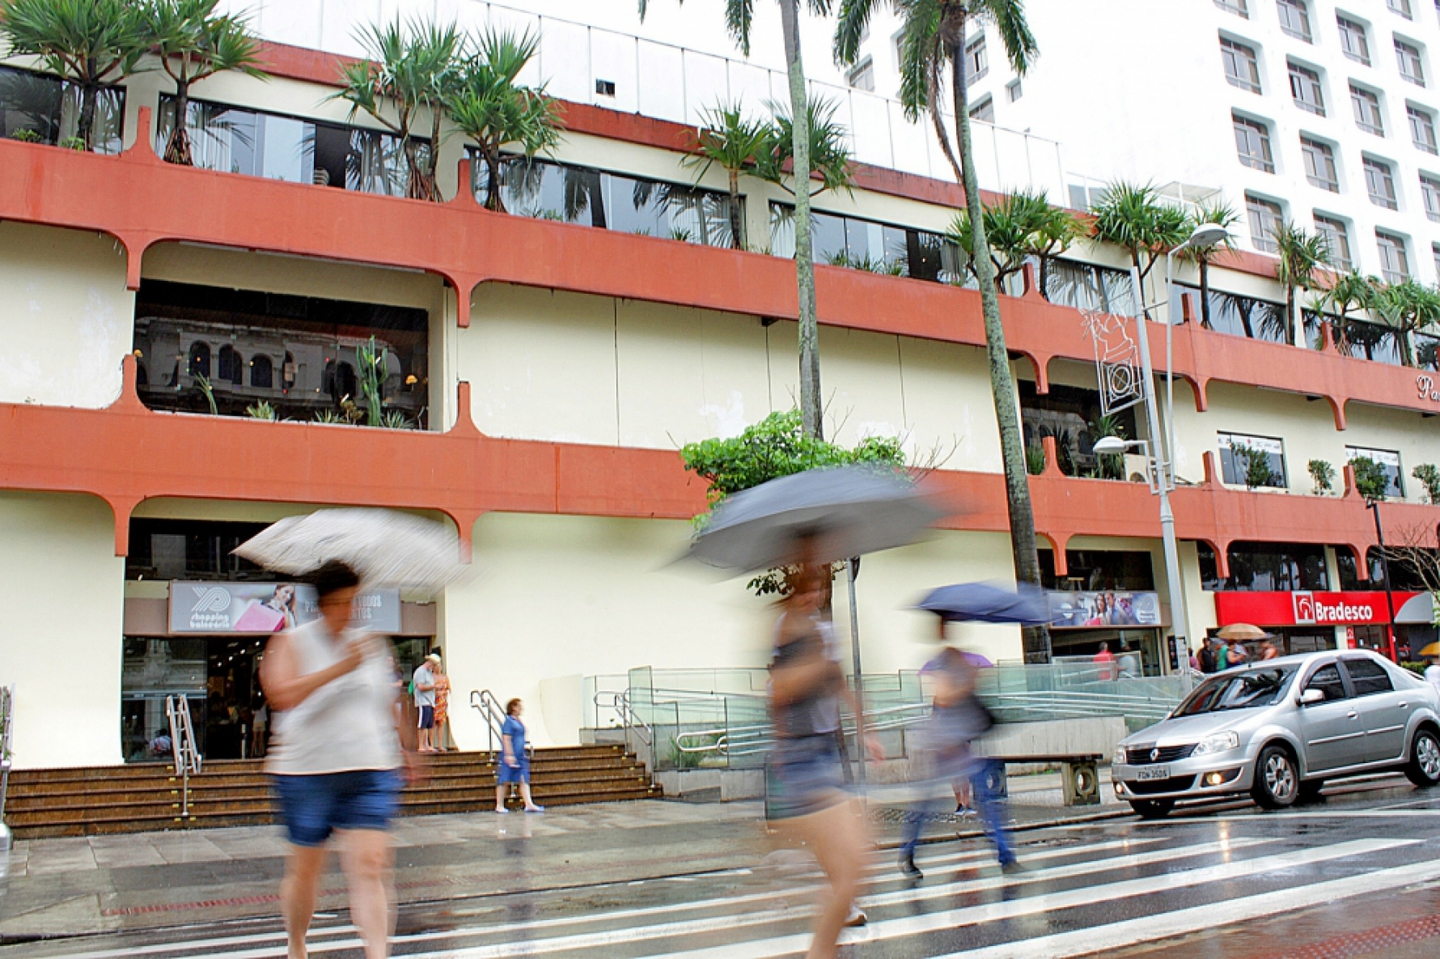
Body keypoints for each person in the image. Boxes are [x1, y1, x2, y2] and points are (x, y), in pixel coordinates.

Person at [260, 560, 414, 959]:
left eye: (356, 601)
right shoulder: (291, 642)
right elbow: (282, 694)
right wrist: (339, 667)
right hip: (307, 772)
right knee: (306, 870)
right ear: (323, 604)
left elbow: (387, 701)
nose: (352, 610)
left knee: (371, 864)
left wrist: (405, 748)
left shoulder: (371, 643)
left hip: (369, 768)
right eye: (343, 602)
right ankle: (297, 945)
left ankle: (377, 954)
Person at [765, 561, 877, 959]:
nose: (815, 597)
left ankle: (824, 945)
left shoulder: (821, 629)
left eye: (819, 590)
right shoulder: (788, 628)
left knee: (854, 865)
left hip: (825, 749)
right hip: (801, 754)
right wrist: (813, 666)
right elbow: (777, 694)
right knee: (851, 865)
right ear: (795, 592)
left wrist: (867, 728)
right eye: (808, 590)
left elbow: (840, 682)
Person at [900, 633, 1018, 880]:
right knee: (928, 804)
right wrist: (965, 685)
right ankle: (907, 852)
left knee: (983, 798)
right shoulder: (945, 664)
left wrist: (970, 681)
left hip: (959, 746)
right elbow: (944, 699)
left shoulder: (957, 662)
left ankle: (1006, 856)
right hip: (946, 746)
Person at [495, 698, 544, 813]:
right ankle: (499, 804)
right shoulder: (509, 722)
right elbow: (506, 739)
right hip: (510, 755)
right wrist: (509, 754)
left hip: (520, 755)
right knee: (505, 779)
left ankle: (529, 803)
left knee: (523, 778)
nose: (521, 708)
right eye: (519, 706)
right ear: (513, 707)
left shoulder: (518, 721)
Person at [412, 654, 439, 753]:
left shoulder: (429, 673)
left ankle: (426, 744)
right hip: (422, 701)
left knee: (428, 724)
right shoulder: (420, 672)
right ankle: (421, 745)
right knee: (422, 724)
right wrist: (434, 687)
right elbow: (420, 687)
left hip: (430, 701)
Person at [430, 650, 451, 751]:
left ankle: (440, 744)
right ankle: (431, 744)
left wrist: (444, 692)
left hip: (442, 702)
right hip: (433, 702)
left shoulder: (444, 677)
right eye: (437, 665)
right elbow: (430, 689)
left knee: (441, 724)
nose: (439, 667)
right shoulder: (431, 677)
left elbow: (449, 689)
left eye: (440, 665)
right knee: (432, 724)